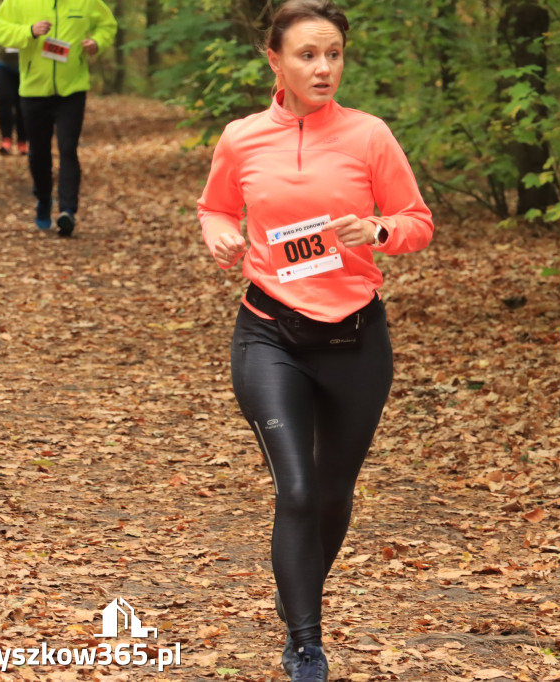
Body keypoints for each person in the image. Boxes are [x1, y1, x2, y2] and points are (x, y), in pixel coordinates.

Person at [197, 1, 434, 680]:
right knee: (296, 490)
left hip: (357, 339)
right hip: (270, 333)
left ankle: (296, 581)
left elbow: (417, 221)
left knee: (333, 494)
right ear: (274, 59)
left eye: (333, 54)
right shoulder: (243, 138)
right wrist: (218, 232)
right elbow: (215, 206)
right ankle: (305, 642)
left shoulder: (369, 136)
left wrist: (379, 232)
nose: (323, 67)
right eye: (307, 55)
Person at [0, 0, 117, 236]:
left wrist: (97, 42)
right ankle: (44, 198)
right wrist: (28, 31)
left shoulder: (87, 2)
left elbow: (108, 25)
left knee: (68, 148)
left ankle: (67, 210)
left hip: (73, 89)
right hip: (34, 90)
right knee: (39, 152)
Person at [0, 9, 27, 156]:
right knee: (5, 100)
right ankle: (6, 139)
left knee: (22, 104)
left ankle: (22, 141)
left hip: (24, 67)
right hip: (1, 65)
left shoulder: (28, 15)